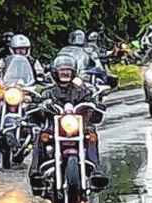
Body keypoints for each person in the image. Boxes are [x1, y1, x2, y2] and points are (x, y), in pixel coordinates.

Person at [28, 53, 108, 195]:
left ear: (74, 72)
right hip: (55, 128)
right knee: (42, 135)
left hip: (78, 129)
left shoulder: (82, 92)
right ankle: (35, 171)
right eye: (62, 69)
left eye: (68, 69)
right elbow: (36, 111)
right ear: (55, 72)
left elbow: (92, 107)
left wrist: (97, 106)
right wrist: (36, 107)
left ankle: (96, 170)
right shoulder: (48, 93)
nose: (65, 72)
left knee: (91, 135)